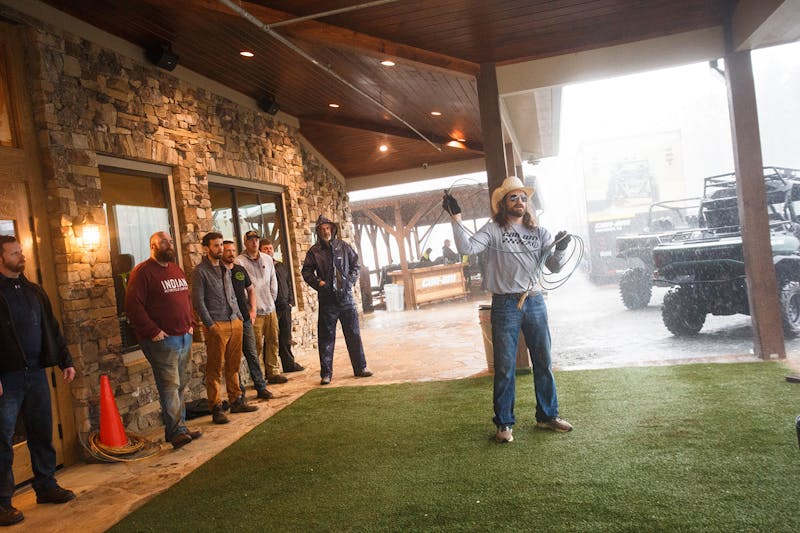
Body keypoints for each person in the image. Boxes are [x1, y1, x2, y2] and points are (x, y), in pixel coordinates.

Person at [443, 176, 573, 443]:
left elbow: (553, 267)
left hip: (535, 301)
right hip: (504, 304)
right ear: (503, 203)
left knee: (543, 361)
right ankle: (504, 424)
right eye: (513, 197)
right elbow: (465, 247)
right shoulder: (493, 230)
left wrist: (559, 250)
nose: (520, 202)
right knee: (504, 367)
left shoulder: (541, 233)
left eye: (523, 198)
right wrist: (456, 217)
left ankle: (547, 416)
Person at [0, 235, 76, 526]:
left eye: (21, 251)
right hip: (7, 378)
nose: (22, 256)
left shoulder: (33, 290)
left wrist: (64, 360)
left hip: (37, 372)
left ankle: (46, 486)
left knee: (42, 431)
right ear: (1, 258)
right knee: (3, 440)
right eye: (14, 252)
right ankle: (3, 502)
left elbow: (51, 327)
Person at [125, 231, 201, 449]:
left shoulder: (175, 268)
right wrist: (152, 330)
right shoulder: (142, 272)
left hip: (183, 335)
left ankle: (180, 428)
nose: (169, 245)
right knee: (170, 386)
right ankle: (176, 431)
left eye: (170, 241)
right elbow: (132, 306)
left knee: (181, 384)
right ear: (153, 246)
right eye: (164, 242)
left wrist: (190, 324)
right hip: (162, 340)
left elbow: (185, 298)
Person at [192, 232, 257, 425]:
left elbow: (233, 295)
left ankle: (236, 399)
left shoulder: (226, 269)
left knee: (234, 364)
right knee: (214, 369)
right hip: (216, 324)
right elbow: (198, 301)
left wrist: (238, 316)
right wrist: (209, 324)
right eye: (216, 245)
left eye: (221, 245)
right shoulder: (200, 272)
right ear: (206, 249)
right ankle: (216, 407)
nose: (220, 248)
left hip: (234, 320)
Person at [301, 215, 372, 385]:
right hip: (328, 301)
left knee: (353, 334)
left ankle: (360, 367)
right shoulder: (314, 251)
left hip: (346, 298)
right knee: (326, 338)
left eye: (328, 228)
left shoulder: (343, 246)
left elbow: (356, 265)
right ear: (318, 231)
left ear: (332, 229)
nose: (326, 231)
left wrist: (351, 281)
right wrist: (320, 283)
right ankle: (326, 374)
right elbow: (307, 273)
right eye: (322, 229)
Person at [221, 241, 273, 401]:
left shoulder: (239, 270)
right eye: (227, 250)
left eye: (233, 250)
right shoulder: (218, 272)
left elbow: (251, 290)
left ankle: (261, 387)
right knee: (233, 358)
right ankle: (239, 392)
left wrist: (252, 309)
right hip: (228, 321)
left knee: (252, 353)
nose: (231, 253)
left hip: (244, 319)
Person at [235, 231, 286, 385]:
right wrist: (251, 306)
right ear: (245, 243)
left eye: (256, 240)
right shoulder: (239, 262)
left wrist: (271, 299)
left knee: (273, 340)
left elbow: (273, 280)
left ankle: (273, 371)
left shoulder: (267, 259)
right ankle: (259, 376)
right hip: (254, 312)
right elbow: (243, 288)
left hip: (270, 308)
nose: (254, 243)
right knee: (255, 345)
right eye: (250, 240)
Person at [260, 238, 304, 373]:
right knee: (271, 339)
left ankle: (288, 364)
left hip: (285, 306)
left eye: (270, 248)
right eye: (265, 249)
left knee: (286, 337)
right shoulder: (262, 267)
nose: (269, 251)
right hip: (271, 308)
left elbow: (289, 283)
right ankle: (271, 369)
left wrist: (291, 300)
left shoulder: (281, 266)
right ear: (261, 251)